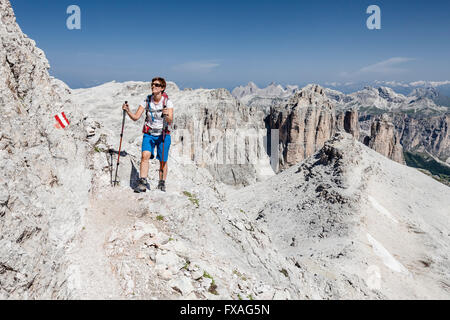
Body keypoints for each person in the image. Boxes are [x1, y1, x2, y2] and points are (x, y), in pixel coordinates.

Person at [122, 77, 174, 192]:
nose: (153, 87)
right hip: (149, 134)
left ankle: (162, 182)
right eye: (152, 84)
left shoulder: (167, 102)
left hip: (163, 135)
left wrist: (166, 115)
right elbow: (136, 117)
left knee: (163, 160)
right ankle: (143, 182)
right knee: (145, 155)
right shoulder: (146, 101)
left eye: (156, 85)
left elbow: (170, 121)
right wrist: (128, 111)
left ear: (162, 88)